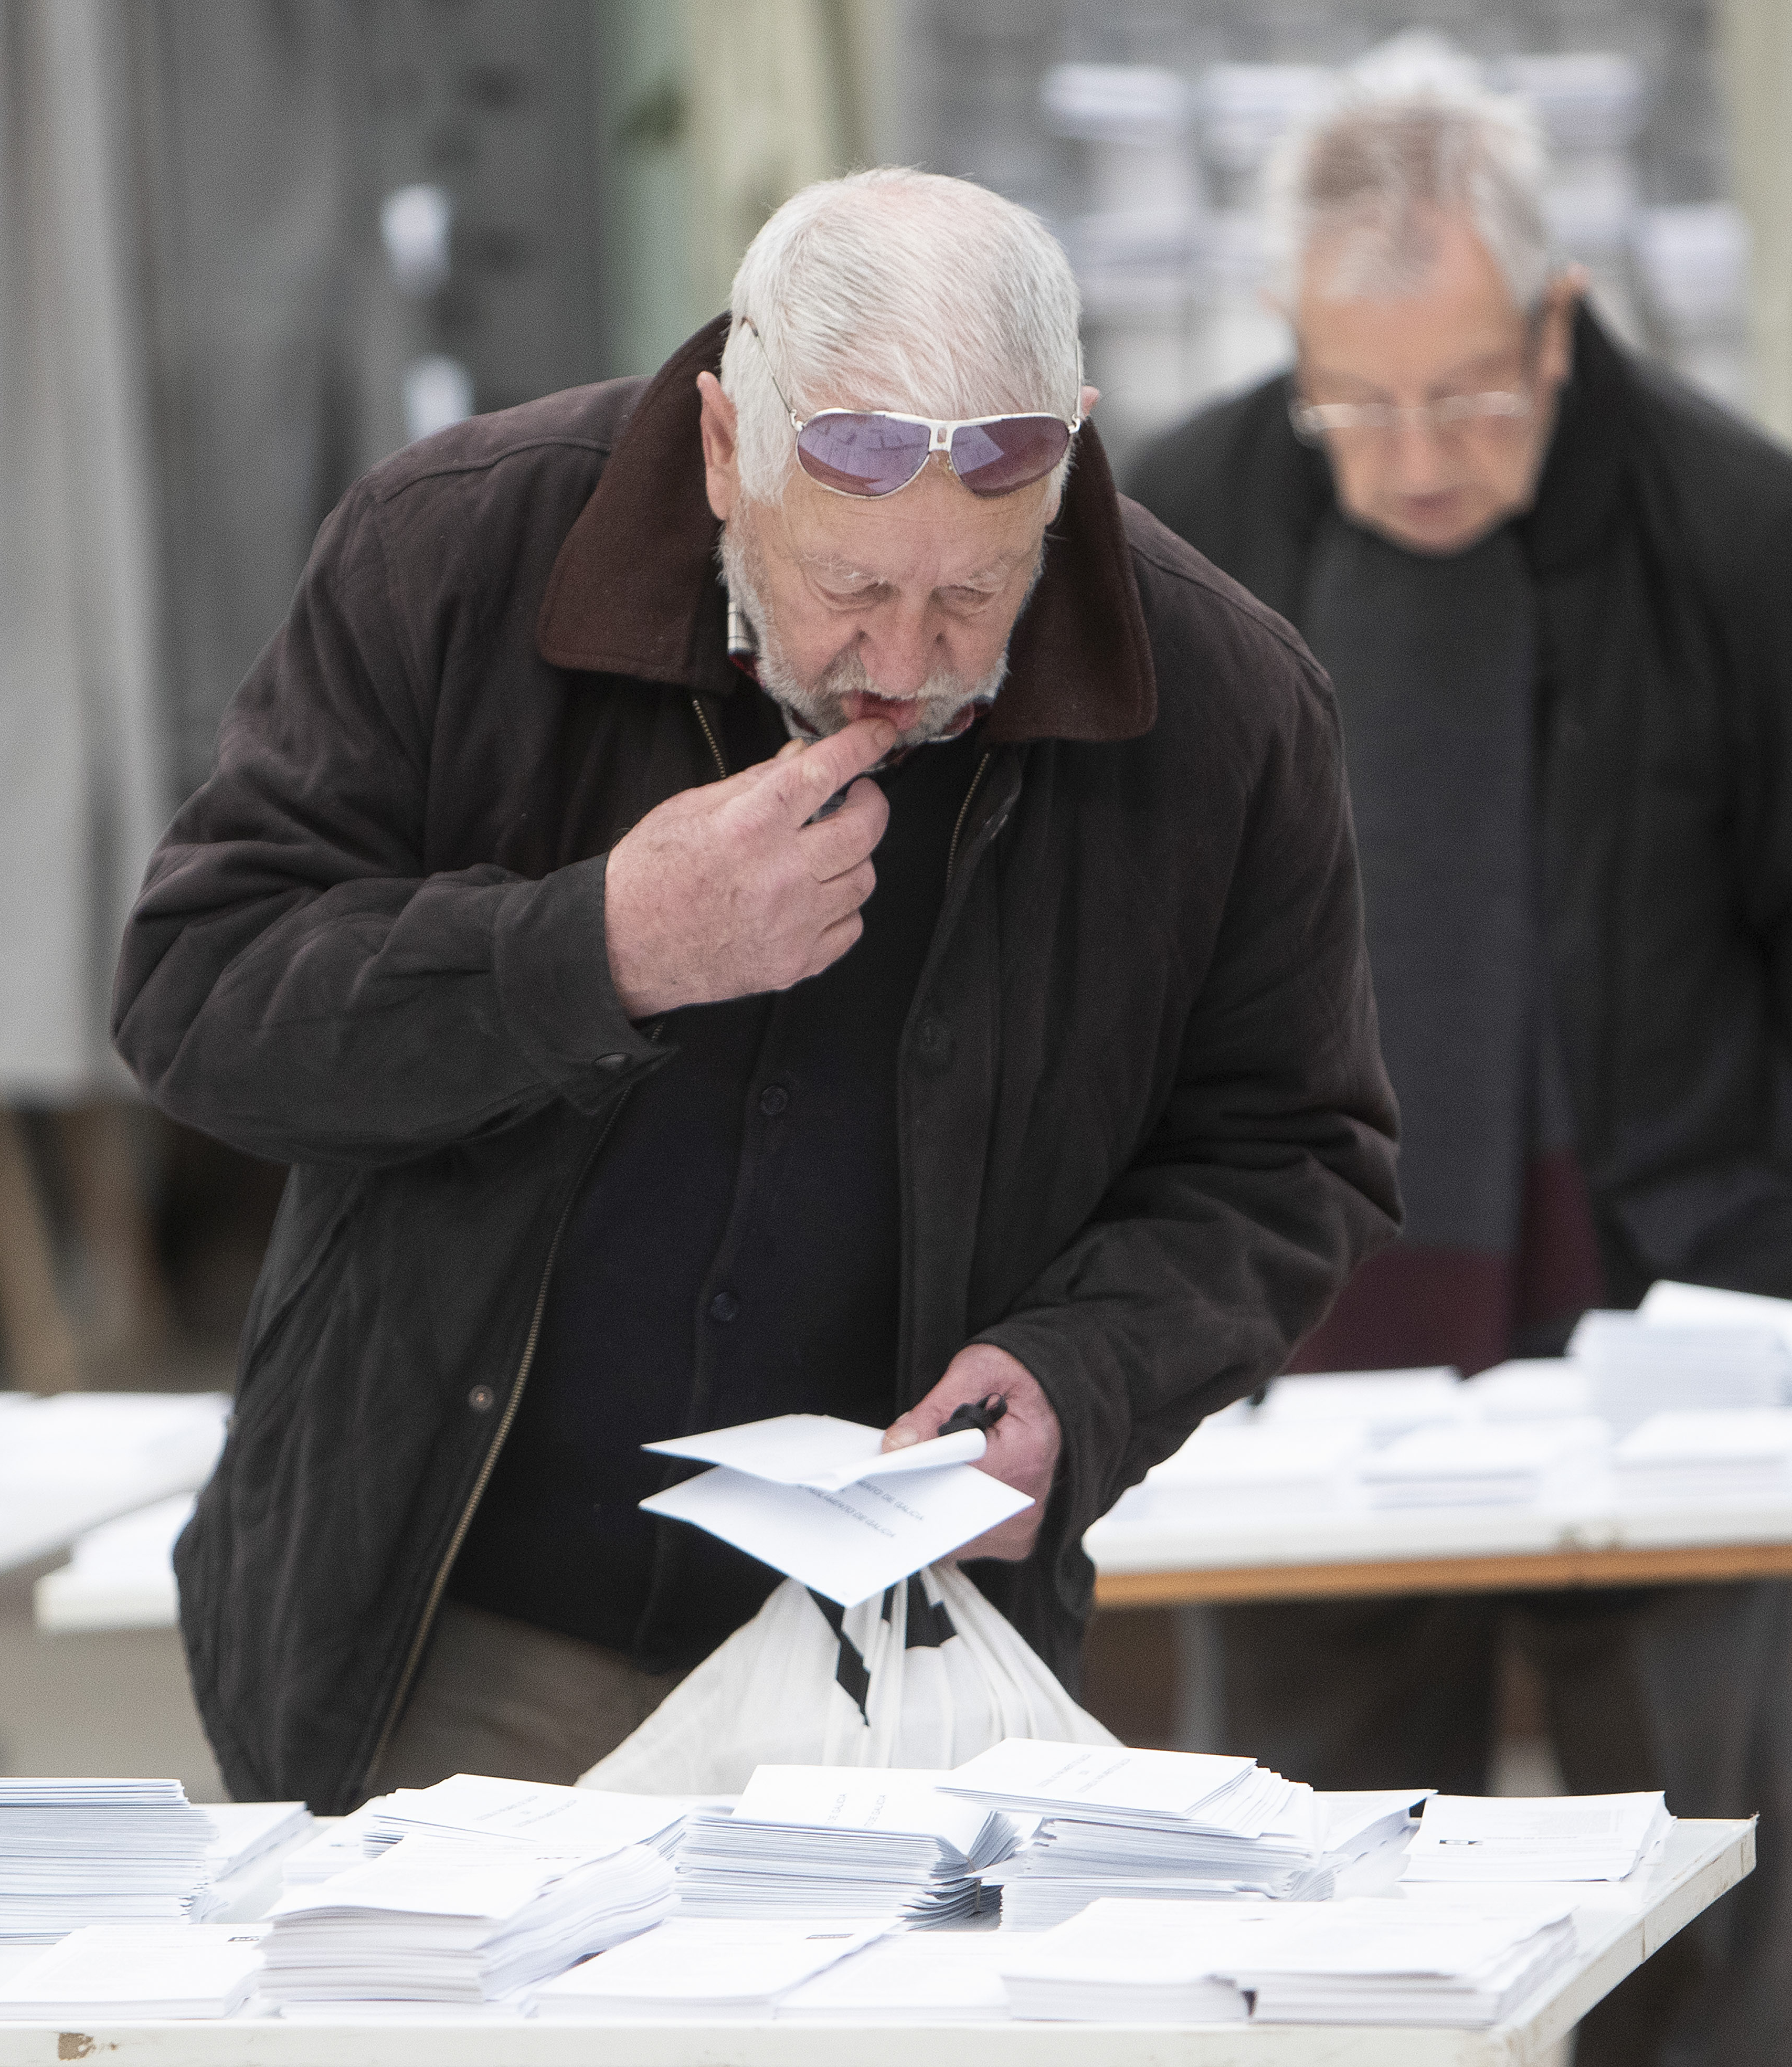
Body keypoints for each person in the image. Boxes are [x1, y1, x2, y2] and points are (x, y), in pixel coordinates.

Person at [114, 168, 1401, 1812]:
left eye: (974, 593)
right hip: (451, 1622)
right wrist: (602, 947)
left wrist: (1087, 1377)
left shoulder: (1224, 703)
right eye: (850, 590)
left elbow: (1294, 1148)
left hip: (903, 1665)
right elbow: (197, 999)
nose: (912, 664)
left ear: (1064, 462)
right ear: (729, 449)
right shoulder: (454, 550)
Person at [1129, 46, 1792, 2067]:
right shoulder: (1182, 527)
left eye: (1464, 391)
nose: (1405, 454)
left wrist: (1701, 1167)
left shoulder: (1749, 532)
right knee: (1311, 1919)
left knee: (1688, 1898)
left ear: (1558, 320)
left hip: (1665, 1322)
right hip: (1309, 1331)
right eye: (1354, 396)